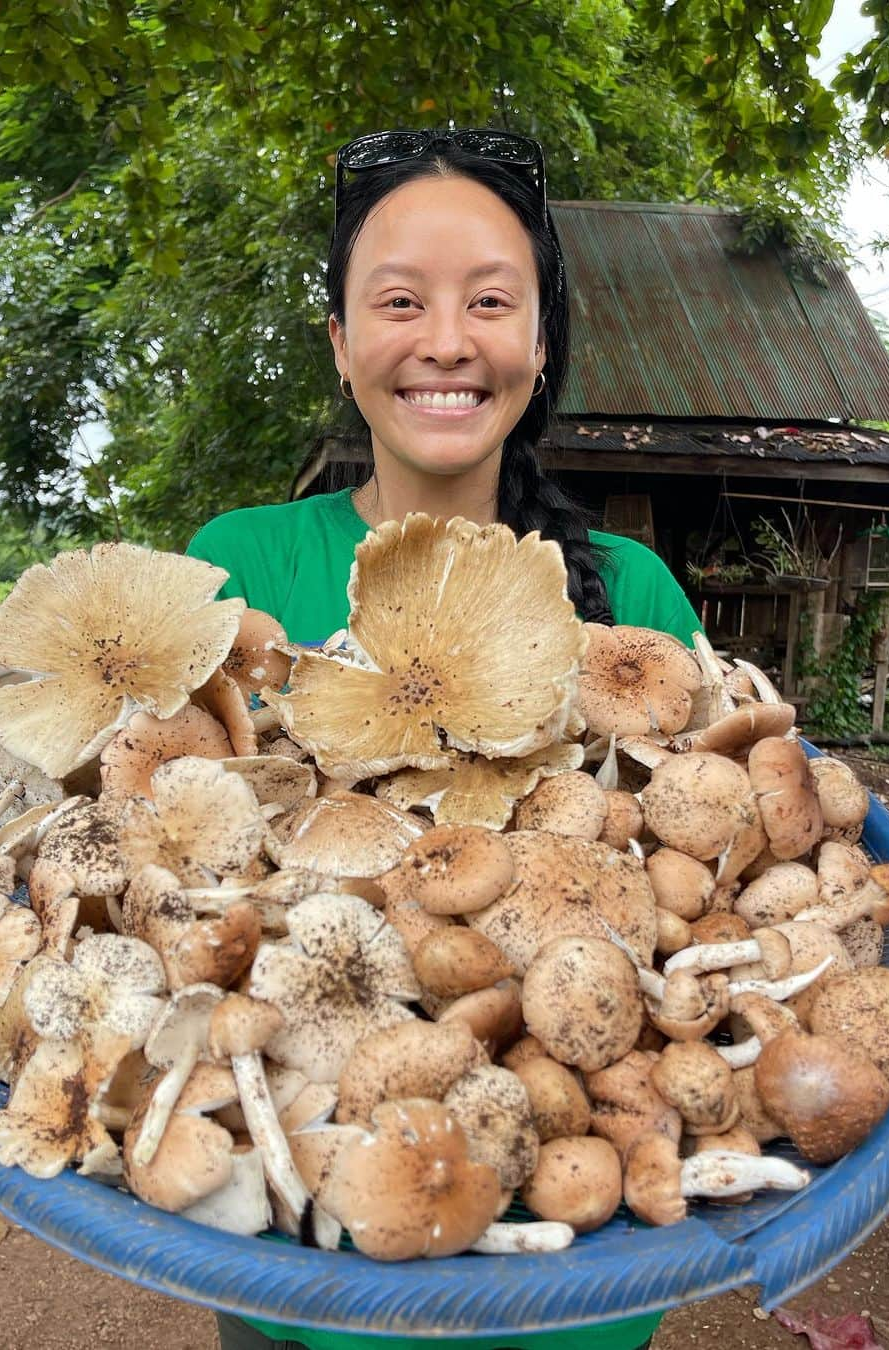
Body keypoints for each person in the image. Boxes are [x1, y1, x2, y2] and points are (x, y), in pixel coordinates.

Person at [186, 126, 702, 1350]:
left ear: (538, 342)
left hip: (577, 1283)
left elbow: (693, 841)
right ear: (341, 343)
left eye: (490, 302)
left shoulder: (628, 597)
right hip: (301, 1263)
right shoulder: (239, 569)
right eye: (400, 302)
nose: (448, 341)